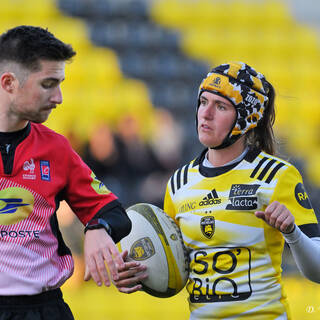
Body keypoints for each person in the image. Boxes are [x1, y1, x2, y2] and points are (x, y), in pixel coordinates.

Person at [114, 62, 320, 319]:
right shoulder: (179, 183)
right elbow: (177, 270)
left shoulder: (276, 176)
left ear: (245, 117)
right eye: (203, 101)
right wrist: (137, 274)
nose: (205, 113)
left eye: (220, 106)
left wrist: (292, 233)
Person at [0, 25, 132, 319]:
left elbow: (112, 210)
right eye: (48, 84)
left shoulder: (56, 149)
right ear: (9, 83)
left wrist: (99, 228)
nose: (59, 97)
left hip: (44, 309)